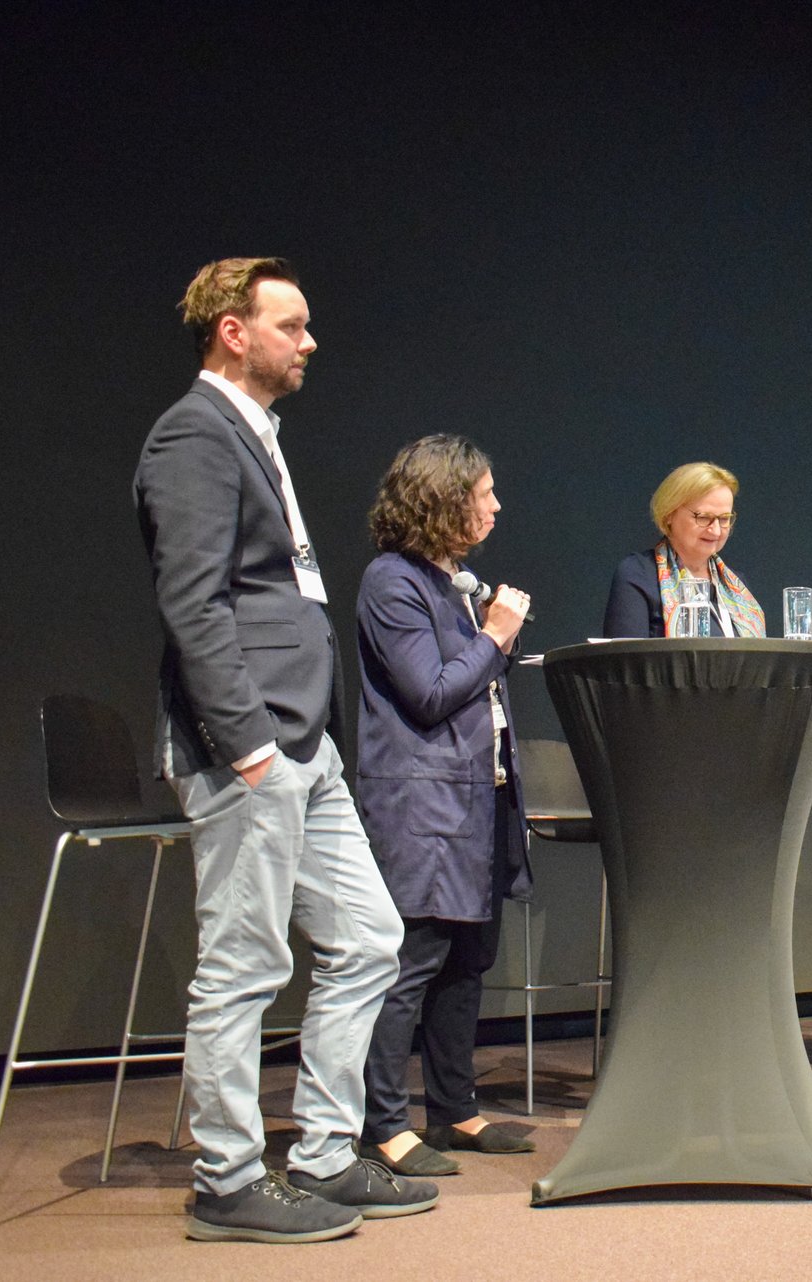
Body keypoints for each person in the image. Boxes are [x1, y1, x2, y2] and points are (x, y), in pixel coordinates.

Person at [134, 258, 434, 1244]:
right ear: (232, 330)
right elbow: (194, 601)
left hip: (303, 738)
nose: (310, 342)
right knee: (244, 962)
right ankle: (225, 1178)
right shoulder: (193, 432)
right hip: (253, 738)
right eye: (291, 325)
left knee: (369, 940)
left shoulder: (255, 435)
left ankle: (319, 1153)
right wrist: (245, 739)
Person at [354, 436, 537, 1178]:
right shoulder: (391, 582)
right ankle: (383, 1125)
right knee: (415, 960)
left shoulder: (454, 583)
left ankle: (455, 1110)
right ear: (441, 498)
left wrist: (490, 639)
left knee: (468, 958)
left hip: (477, 800)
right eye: (483, 493)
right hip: (423, 803)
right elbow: (428, 694)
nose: (496, 506)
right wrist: (495, 637)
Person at [600, 461, 766, 638]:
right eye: (704, 517)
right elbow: (626, 661)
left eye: (724, 519)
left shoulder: (736, 585)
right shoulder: (639, 574)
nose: (716, 530)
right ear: (669, 514)